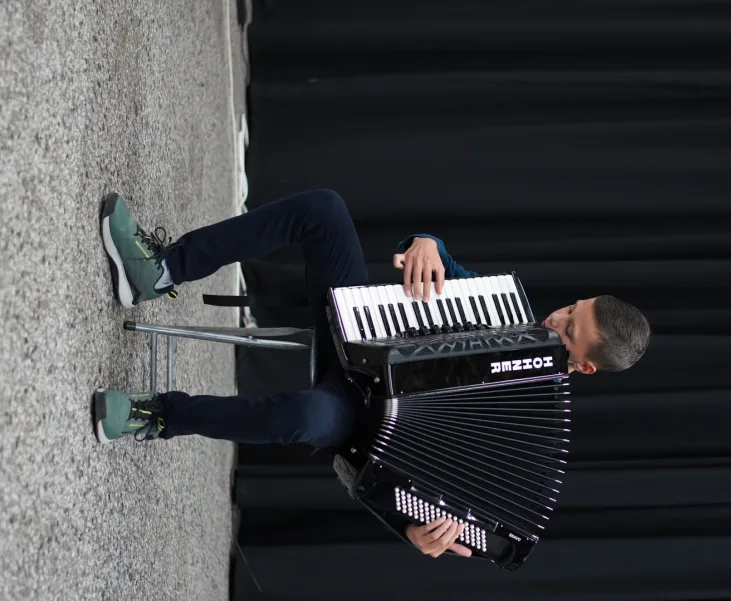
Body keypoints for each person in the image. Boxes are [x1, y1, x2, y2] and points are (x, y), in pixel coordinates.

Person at [94, 189, 651, 559]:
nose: (554, 319)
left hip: (353, 417)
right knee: (325, 209)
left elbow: (418, 497)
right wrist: (425, 244)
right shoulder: (507, 310)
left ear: (583, 366)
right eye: (570, 308)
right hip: (359, 333)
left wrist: (412, 532)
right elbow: (441, 264)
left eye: (569, 329)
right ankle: (159, 270)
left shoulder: (525, 435)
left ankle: (157, 415)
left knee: (308, 415)